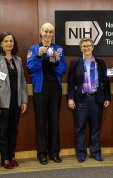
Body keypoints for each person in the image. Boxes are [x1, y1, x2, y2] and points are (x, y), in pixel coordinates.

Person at [26, 23, 67, 165]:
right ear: (41, 32)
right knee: (41, 121)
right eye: (46, 31)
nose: (48, 34)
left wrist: (55, 61)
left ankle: (54, 152)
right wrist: (39, 55)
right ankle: (42, 153)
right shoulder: (34, 49)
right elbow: (30, 67)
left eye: (51, 32)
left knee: (54, 120)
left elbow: (62, 69)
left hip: (55, 88)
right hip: (40, 89)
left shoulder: (58, 49)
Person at [68, 37, 111, 163]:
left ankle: (95, 152)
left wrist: (107, 97)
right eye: (84, 46)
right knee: (80, 127)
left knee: (95, 127)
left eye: (88, 45)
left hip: (96, 99)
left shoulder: (100, 63)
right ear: (81, 48)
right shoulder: (76, 63)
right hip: (81, 100)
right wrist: (70, 98)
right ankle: (81, 153)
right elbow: (71, 82)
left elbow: (106, 81)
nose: (86, 48)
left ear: (93, 47)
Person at [0, 32, 28, 169]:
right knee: (2, 132)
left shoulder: (18, 60)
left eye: (11, 41)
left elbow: (22, 81)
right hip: (3, 102)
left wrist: (24, 101)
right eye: (6, 41)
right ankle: (4, 158)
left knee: (13, 131)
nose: (9, 43)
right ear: (1, 44)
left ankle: (12, 156)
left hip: (16, 102)